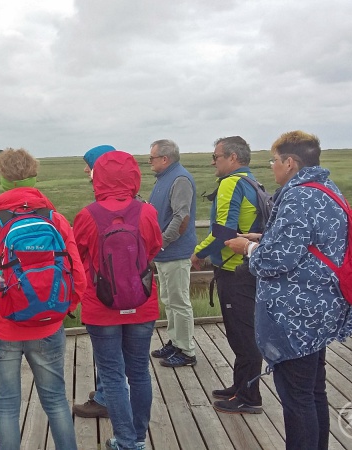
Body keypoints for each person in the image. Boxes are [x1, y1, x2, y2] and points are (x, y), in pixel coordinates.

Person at [225, 131, 352, 449]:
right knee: (314, 392)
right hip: (323, 308)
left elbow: (276, 260)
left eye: (274, 161)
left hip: (298, 317)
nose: (272, 167)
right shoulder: (326, 188)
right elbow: (307, 243)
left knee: (297, 399)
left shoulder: (299, 196)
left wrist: (247, 247)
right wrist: (266, 238)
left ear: (289, 162)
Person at [0, 148, 86, 450]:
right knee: (56, 400)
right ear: (34, 175)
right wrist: (60, 308)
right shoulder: (55, 219)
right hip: (48, 326)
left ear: (2, 176)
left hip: (1, 325)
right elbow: (77, 276)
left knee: (6, 405)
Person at [73, 150, 162, 450]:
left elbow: (78, 256)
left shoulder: (87, 215)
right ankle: (137, 438)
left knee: (112, 376)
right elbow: (153, 250)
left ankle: (125, 441)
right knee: (139, 372)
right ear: (133, 176)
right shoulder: (147, 212)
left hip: (101, 306)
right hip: (142, 303)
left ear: (98, 177)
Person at [190, 136, 265, 414]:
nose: (213, 161)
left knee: (243, 335)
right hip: (247, 267)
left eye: (216, 156)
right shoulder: (251, 181)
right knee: (242, 331)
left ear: (233, 158)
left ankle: (249, 396)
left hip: (234, 270)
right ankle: (239, 387)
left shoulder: (231, 183)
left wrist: (197, 253)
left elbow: (223, 231)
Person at [72, 144, 116, 419]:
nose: (86, 171)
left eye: (89, 166)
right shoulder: (142, 207)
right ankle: (108, 392)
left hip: (101, 293)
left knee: (107, 352)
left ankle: (106, 397)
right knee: (127, 358)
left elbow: (76, 252)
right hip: (137, 295)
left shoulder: (91, 213)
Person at [146, 140, 198, 368]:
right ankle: (176, 342)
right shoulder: (165, 179)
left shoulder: (180, 179)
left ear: (165, 159)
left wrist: (160, 242)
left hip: (174, 252)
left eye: (152, 158)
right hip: (166, 253)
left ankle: (186, 351)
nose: (149, 162)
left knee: (179, 302)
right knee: (169, 300)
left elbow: (181, 217)